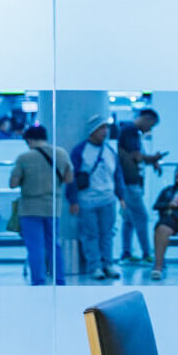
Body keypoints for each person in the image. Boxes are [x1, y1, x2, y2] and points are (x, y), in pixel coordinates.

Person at [11, 125, 73, 285]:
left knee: (35, 247)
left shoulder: (24, 158)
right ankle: (59, 280)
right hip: (53, 206)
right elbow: (68, 179)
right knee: (54, 245)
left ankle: (38, 281)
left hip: (30, 207)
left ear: (29, 140)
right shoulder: (61, 153)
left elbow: (13, 183)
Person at [67, 114, 126, 281]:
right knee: (90, 235)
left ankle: (108, 264)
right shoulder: (80, 151)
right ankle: (95, 266)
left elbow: (117, 175)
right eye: (101, 128)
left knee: (107, 234)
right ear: (92, 131)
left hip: (108, 199)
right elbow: (71, 177)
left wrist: (121, 197)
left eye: (106, 128)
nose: (105, 131)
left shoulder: (110, 151)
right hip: (86, 201)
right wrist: (73, 200)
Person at [118, 108, 166, 263]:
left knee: (129, 219)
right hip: (130, 182)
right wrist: (153, 159)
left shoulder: (131, 132)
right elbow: (136, 156)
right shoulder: (130, 130)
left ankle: (126, 253)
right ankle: (146, 254)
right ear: (146, 119)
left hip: (129, 181)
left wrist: (152, 161)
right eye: (151, 125)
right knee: (142, 217)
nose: (150, 129)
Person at [150, 164, 178, 281]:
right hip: (172, 219)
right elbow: (155, 206)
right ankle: (158, 266)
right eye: (177, 171)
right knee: (161, 229)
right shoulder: (167, 191)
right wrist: (169, 204)